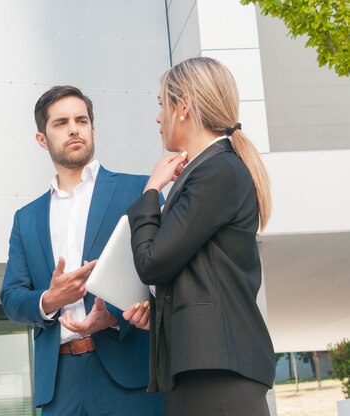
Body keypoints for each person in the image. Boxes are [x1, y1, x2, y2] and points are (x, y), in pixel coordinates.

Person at [124, 57, 275, 416]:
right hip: (205, 368)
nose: (159, 118)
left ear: (185, 107)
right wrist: (156, 308)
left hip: (216, 371)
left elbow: (152, 262)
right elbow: (197, 272)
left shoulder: (217, 170)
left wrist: (151, 191)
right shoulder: (212, 170)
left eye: (163, 105)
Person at [0, 85, 164, 415]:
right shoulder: (26, 219)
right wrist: (50, 299)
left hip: (128, 375)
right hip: (59, 384)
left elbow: (167, 275)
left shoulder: (140, 191)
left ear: (92, 128)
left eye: (82, 120)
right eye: (61, 123)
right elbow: (12, 297)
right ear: (41, 139)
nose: (74, 128)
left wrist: (115, 318)